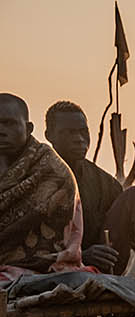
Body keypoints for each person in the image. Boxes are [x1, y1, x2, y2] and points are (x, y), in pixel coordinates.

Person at [43, 100, 135, 280]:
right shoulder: (35, 176)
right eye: (69, 133)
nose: (79, 139)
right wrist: (81, 254)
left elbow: (126, 226)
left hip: (105, 265)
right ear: (49, 135)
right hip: (54, 269)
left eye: (83, 132)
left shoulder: (104, 182)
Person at [0, 93, 84, 283]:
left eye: (9, 123)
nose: (1, 131)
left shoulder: (50, 169)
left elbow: (15, 228)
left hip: (38, 268)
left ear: (28, 128)